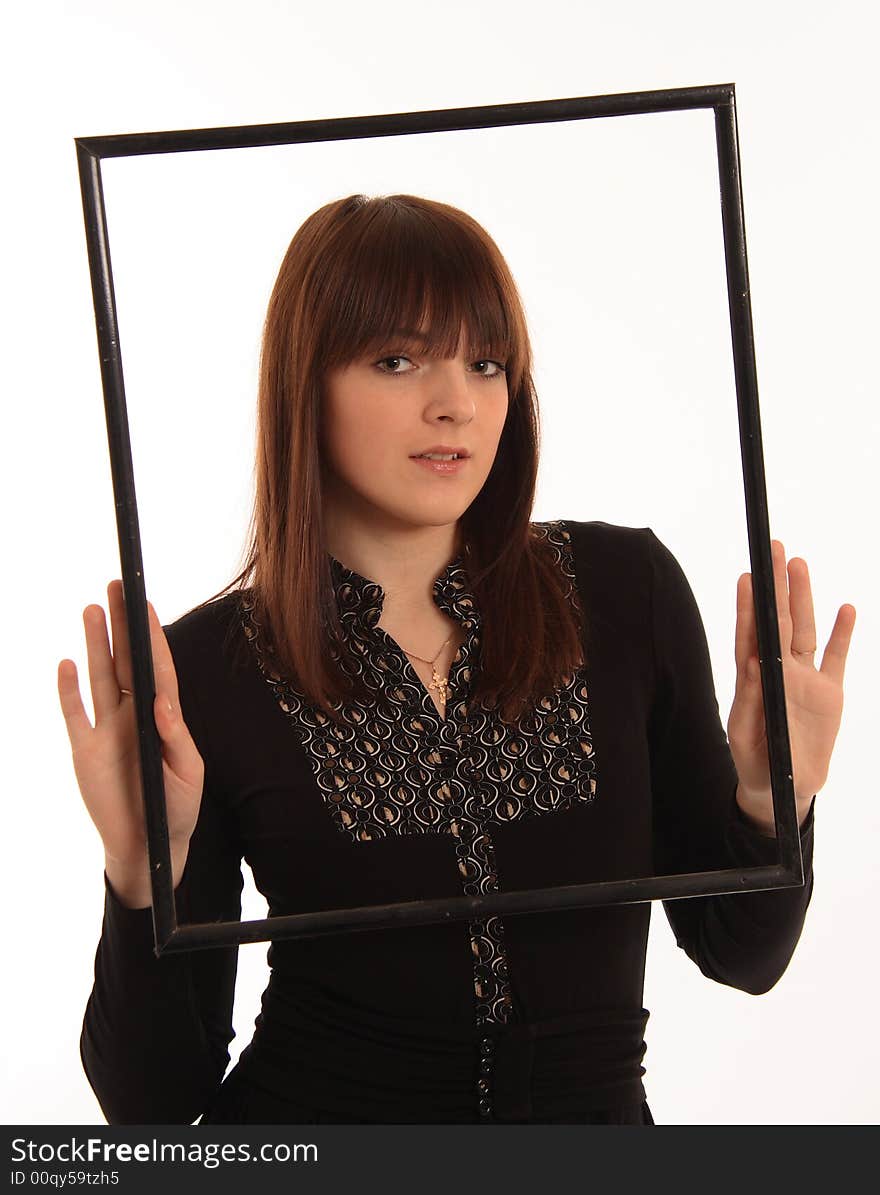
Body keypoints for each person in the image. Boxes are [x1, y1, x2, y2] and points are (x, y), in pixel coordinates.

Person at [57, 193, 855, 1126]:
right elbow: (149, 1105)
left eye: (486, 362)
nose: (457, 404)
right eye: (398, 359)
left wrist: (773, 800)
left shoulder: (622, 589)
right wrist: (139, 868)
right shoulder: (208, 667)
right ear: (303, 385)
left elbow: (743, 952)